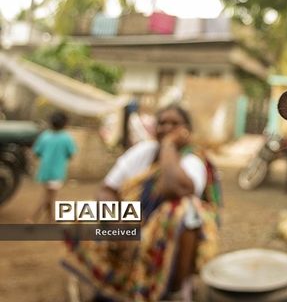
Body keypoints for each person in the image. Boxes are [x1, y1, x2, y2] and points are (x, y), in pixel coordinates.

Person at [63, 105, 222, 301]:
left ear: (186, 130)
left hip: (165, 233)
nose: (166, 128)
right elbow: (106, 189)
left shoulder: (193, 160)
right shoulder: (144, 151)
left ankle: (174, 290)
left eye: (174, 124)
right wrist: (118, 220)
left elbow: (173, 188)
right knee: (79, 211)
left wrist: (169, 146)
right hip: (131, 219)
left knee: (181, 211)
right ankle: (109, 281)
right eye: (162, 123)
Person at [27, 110, 77, 223]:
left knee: (49, 195)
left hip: (44, 171)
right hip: (57, 172)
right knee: (49, 197)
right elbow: (71, 154)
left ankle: (50, 219)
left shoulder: (45, 136)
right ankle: (32, 218)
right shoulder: (66, 138)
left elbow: (36, 153)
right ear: (65, 124)